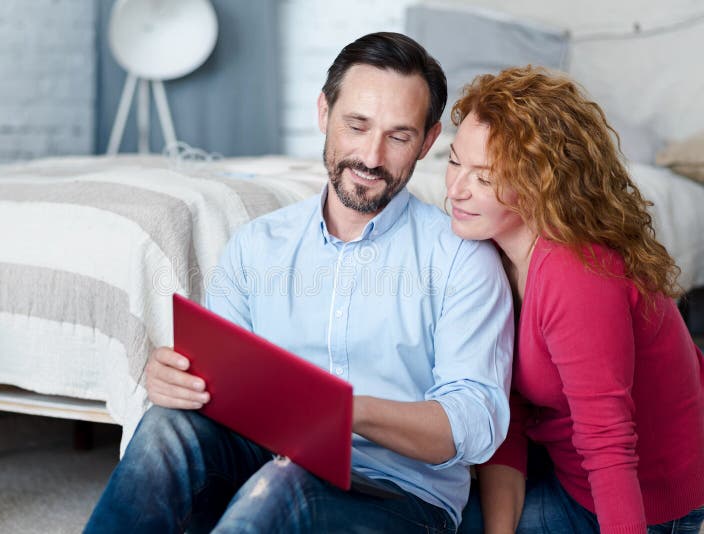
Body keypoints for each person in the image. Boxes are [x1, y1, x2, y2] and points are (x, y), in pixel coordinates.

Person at [84, 32, 514, 533]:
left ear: (427, 141)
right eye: (356, 125)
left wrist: (347, 413)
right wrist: (176, 378)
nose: (371, 157)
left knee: (283, 489)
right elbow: (217, 381)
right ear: (323, 113)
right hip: (267, 460)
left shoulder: (462, 258)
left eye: (398, 137)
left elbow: (474, 424)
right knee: (166, 426)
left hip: (400, 496)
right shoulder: (257, 244)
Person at [446, 66, 704, 534]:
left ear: (539, 184)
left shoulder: (575, 274)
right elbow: (510, 412)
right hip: (566, 466)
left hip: (640, 502)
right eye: (453, 161)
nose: (456, 190)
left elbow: (609, 445)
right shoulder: (492, 249)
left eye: (484, 178)